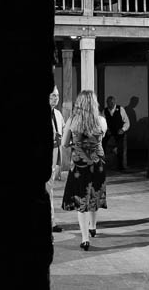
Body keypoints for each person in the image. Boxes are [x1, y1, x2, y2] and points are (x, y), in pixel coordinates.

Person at [61, 90, 108, 251]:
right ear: (94, 104)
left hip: (79, 166)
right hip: (98, 164)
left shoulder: (73, 120)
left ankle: (85, 238)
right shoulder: (101, 120)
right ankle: (93, 226)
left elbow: (64, 143)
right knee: (95, 195)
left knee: (81, 199)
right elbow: (102, 138)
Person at [47, 85, 65, 234]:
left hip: (54, 155)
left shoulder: (58, 114)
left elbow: (63, 133)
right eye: (52, 95)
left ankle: (51, 221)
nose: (55, 98)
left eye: (57, 96)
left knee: (49, 189)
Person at [103, 96, 130, 171]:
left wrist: (123, 129)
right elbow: (103, 123)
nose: (110, 104)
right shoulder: (105, 111)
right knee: (103, 144)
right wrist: (106, 130)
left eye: (112, 102)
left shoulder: (120, 109)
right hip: (109, 132)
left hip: (119, 131)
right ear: (107, 103)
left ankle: (120, 166)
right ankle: (104, 164)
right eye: (109, 103)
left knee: (120, 148)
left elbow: (127, 122)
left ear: (114, 102)